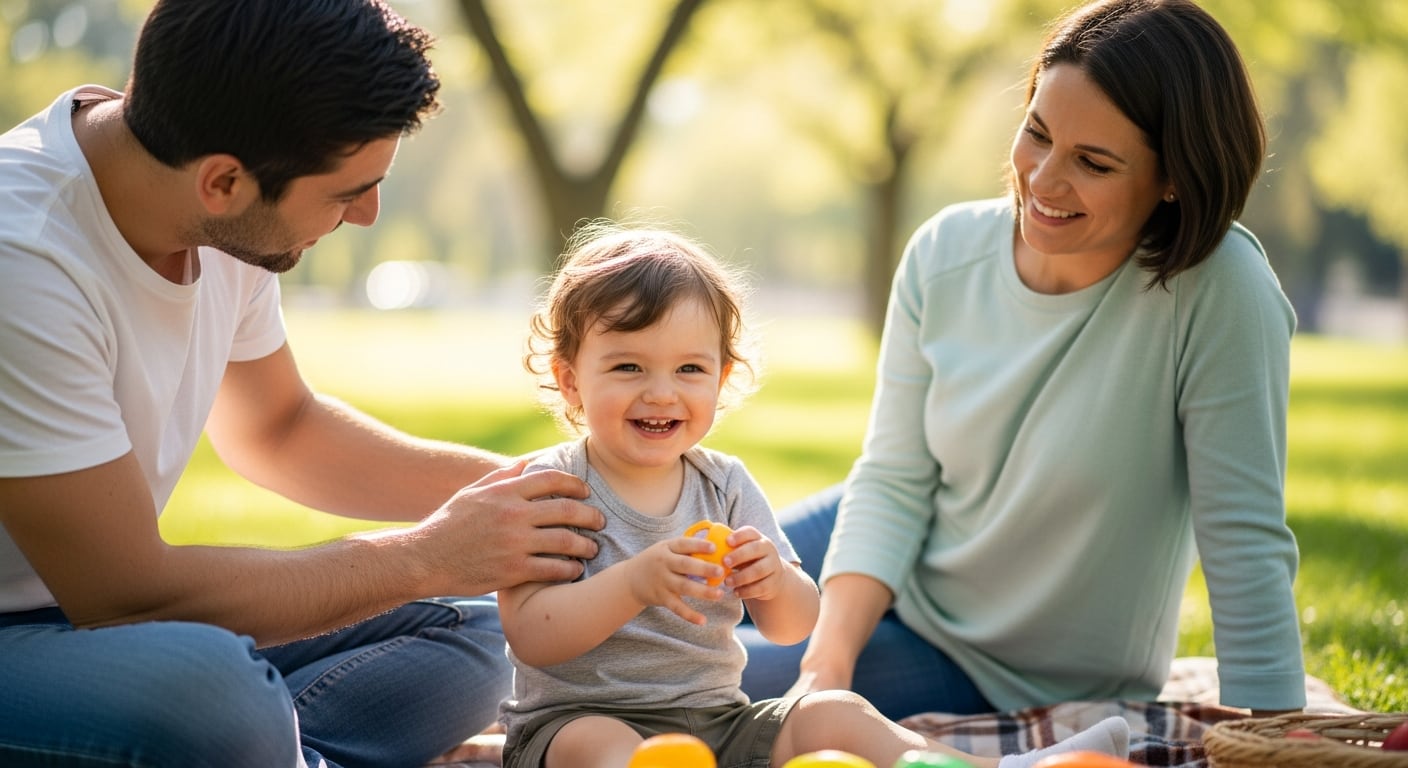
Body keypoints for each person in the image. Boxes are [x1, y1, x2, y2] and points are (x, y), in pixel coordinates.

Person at [0, 1, 605, 766]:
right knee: (213, 696)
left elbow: (279, 427)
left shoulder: (208, 198)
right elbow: (124, 594)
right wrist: (428, 554)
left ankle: (282, 750)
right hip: (49, 631)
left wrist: (552, 496)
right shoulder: (24, 260)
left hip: (102, 625)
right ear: (224, 182)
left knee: (481, 625)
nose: (367, 215)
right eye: (347, 190)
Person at [739, 0, 1307, 723]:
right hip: (897, 538)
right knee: (666, 576)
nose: (1042, 181)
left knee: (685, 685)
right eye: (1036, 132)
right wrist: (829, 660)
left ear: (1174, 178)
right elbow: (894, 480)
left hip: (999, 662)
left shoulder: (1219, 289)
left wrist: (1278, 735)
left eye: (1093, 163)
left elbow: (1244, 541)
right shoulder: (945, 252)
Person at [496, 221, 1131, 768]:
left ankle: (1001, 765)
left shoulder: (725, 485)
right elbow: (530, 634)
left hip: (719, 725)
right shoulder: (550, 490)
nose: (662, 392)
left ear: (723, 375)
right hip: (574, 723)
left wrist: (772, 582)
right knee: (600, 744)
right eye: (628, 366)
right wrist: (634, 583)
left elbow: (796, 623)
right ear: (571, 380)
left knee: (834, 712)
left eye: (690, 369)